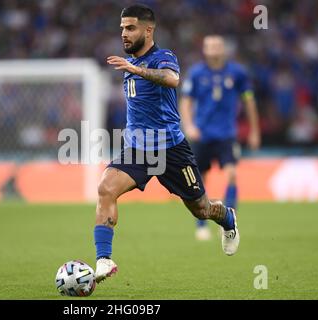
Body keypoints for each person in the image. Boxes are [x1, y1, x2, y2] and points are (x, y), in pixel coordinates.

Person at [94, 4, 239, 284]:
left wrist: (135, 69)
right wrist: (132, 68)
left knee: (202, 208)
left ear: (148, 30)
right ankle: (103, 260)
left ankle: (228, 219)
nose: (124, 33)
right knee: (105, 188)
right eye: (122, 27)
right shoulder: (130, 64)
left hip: (172, 149)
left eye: (131, 27)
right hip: (138, 148)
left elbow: (172, 79)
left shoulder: (163, 57)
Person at [179, 35, 260, 241]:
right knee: (200, 180)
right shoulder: (196, 74)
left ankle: (229, 222)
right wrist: (189, 125)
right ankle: (201, 225)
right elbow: (186, 101)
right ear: (204, 50)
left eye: (217, 46)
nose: (214, 49)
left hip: (226, 134)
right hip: (202, 134)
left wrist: (254, 130)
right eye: (210, 46)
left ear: (224, 49)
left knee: (232, 174)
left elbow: (249, 101)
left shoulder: (237, 73)